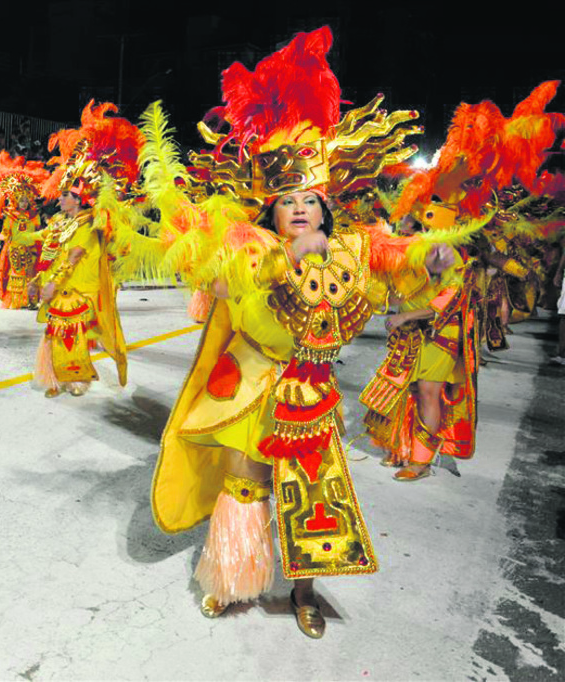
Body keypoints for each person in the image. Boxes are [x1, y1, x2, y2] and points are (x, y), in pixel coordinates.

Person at [141, 27, 453, 638]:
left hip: (310, 393)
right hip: (252, 383)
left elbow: (397, 261)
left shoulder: (353, 245)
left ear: (327, 205)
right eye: (287, 200)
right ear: (271, 212)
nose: (301, 206)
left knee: (314, 497)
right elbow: (236, 280)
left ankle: (303, 594)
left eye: (310, 197)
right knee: (246, 484)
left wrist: (429, 259)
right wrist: (290, 257)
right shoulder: (247, 247)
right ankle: (232, 581)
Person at [362, 80, 565, 478]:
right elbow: (389, 278)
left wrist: (406, 315)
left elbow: (448, 300)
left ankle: (421, 459)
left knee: (427, 391)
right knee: (404, 388)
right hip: (408, 331)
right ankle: (403, 446)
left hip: (441, 331)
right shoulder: (414, 245)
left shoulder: (459, 254)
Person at [26, 101, 137, 398]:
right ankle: (54, 378)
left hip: (80, 288)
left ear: (78, 199)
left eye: (64, 196)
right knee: (54, 334)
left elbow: (73, 258)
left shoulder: (88, 225)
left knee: (73, 335)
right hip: (62, 286)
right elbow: (52, 252)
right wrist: (38, 277)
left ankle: (76, 379)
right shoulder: (62, 222)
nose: (59, 199)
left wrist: (52, 282)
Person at [0, 150, 49, 308]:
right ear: (16, 201)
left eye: (26, 201)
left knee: (30, 274)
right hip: (14, 248)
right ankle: (16, 300)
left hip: (30, 248)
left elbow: (38, 230)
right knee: (16, 272)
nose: (24, 204)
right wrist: (0, 243)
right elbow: (6, 231)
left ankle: (30, 299)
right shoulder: (11, 216)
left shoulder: (33, 216)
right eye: (21, 201)